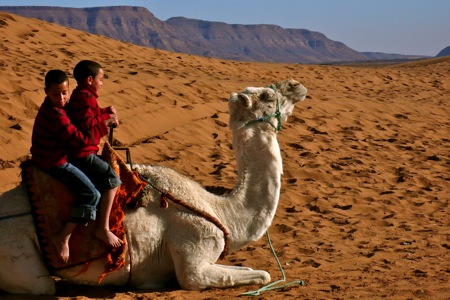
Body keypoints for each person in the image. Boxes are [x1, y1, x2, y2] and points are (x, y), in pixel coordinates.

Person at [30, 69, 116, 263]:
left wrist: (103, 114)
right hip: (54, 161)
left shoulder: (60, 108)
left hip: (56, 155)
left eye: (64, 93)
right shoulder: (55, 115)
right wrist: (105, 124)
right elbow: (80, 140)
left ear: (68, 90)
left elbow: (81, 121)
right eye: (55, 94)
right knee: (92, 194)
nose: (61, 98)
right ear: (46, 92)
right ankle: (63, 237)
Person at [65, 60, 123, 253]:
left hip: (85, 151)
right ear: (90, 80)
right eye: (101, 79)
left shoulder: (83, 95)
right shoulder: (85, 97)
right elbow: (89, 126)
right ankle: (103, 228)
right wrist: (107, 121)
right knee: (113, 181)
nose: (102, 83)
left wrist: (106, 112)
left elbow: (91, 115)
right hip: (83, 153)